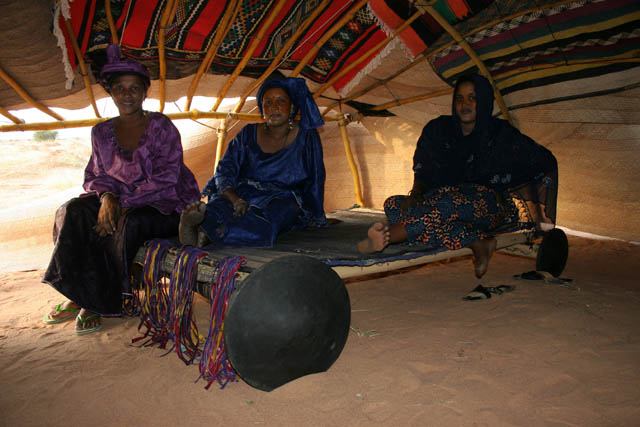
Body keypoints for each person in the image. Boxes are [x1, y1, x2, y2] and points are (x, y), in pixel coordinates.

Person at [42, 44, 200, 334]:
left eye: (134, 88)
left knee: (125, 223)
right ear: (112, 93)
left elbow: (168, 176)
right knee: (72, 211)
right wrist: (107, 198)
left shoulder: (162, 127)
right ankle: (76, 293)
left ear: (144, 92)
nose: (127, 94)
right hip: (118, 200)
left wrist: (120, 203)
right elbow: (95, 174)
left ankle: (101, 300)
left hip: (163, 203)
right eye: (120, 88)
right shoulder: (100, 132)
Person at [358, 73, 558, 279]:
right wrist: (417, 192)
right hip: (443, 201)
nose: (465, 104)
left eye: (473, 98)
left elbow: (542, 159)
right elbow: (423, 168)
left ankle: (388, 237)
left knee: (446, 205)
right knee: (394, 204)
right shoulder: (438, 129)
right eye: (459, 98)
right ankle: (477, 241)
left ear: (484, 101)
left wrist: (502, 186)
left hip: (486, 205)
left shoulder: (500, 134)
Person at [179, 77, 327, 247]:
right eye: (268, 103)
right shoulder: (248, 134)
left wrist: (315, 214)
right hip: (244, 193)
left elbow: (316, 177)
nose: (274, 107)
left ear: (292, 106)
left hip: (284, 198)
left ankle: (206, 234)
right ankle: (195, 226)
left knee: (266, 223)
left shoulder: (306, 136)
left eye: (281, 101)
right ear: (262, 110)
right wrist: (236, 200)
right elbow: (225, 170)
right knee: (217, 208)